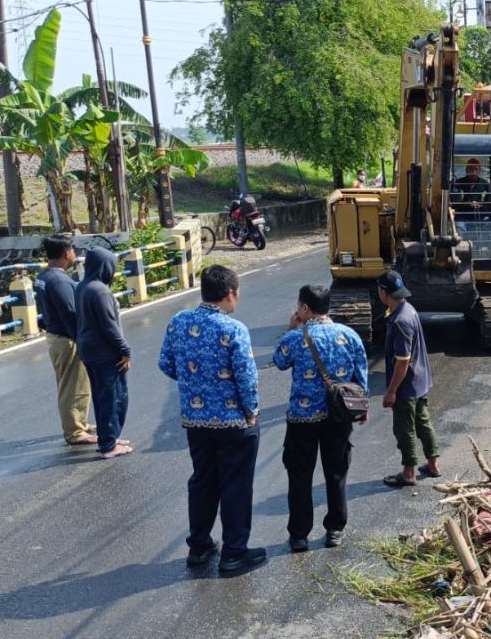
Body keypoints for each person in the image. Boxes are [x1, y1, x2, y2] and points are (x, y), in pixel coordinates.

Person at [158, 265, 266, 575]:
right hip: (233, 423)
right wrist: (251, 411)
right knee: (236, 485)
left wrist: (195, 381)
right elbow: (246, 378)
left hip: (195, 421)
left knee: (202, 481)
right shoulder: (233, 330)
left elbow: (166, 363)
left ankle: (199, 546)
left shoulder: (179, 322)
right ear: (230, 293)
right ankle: (234, 552)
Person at [273, 284, 368, 551]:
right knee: (336, 473)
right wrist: (363, 408)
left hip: (302, 419)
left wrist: (291, 327)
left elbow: (279, 361)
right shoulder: (349, 335)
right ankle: (335, 529)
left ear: (304, 308)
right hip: (339, 416)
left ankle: (300, 535)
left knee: (300, 476)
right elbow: (360, 375)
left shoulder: (294, 338)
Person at [377, 270, 440, 488]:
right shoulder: (408, 309)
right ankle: (432, 465)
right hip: (421, 382)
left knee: (405, 428)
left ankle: (409, 472)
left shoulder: (399, 321)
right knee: (424, 424)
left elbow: (402, 361)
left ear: (383, 292)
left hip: (407, 386)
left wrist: (391, 391)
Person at [34, 234, 94, 446]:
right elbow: (69, 314)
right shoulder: (59, 280)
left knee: (73, 383)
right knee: (73, 386)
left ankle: (80, 422)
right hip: (66, 338)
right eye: (72, 251)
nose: (75, 255)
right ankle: (75, 432)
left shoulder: (44, 277)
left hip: (55, 335)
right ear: (66, 252)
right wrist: (82, 340)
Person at [75, 246, 132, 458]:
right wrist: (125, 350)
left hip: (89, 350)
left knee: (101, 397)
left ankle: (108, 437)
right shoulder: (100, 291)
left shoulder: (83, 286)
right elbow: (109, 326)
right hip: (104, 353)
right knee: (113, 397)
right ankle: (109, 445)